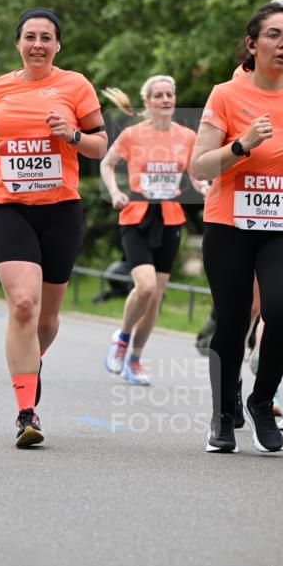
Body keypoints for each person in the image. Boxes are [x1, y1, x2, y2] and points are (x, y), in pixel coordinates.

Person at [0, 8, 107, 448]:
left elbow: (100, 145)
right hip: (10, 207)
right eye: (30, 36)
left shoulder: (76, 85)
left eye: (46, 37)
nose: (38, 44)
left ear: (57, 45)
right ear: (18, 43)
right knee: (24, 304)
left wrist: (73, 135)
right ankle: (26, 411)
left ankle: (33, 360)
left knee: (46, 319)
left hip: (61, 209)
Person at [191, 1, 283, 455]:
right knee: (232, 321)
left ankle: (261, 400)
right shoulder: (225, 95)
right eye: (274, 35)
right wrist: (241, 145)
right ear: (252, 44)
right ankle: (222, 414)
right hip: (229, 222)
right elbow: (199, 166)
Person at [100, 77, 208, 385]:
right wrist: (115, 192)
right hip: (136, 216)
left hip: (170, 218)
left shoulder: (187, 136)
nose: (165, 99)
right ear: (147, 102)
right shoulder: (133, 135)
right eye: (158, 95)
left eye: (170, 94)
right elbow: (107, 164)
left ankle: (134, 360)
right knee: (145, 286)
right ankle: (122, 338)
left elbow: (194, 173)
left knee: (155, 299)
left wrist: (202, 187)